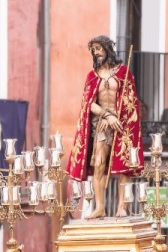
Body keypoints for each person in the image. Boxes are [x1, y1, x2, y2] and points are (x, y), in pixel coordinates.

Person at [66, 35, 143, 218]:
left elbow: (131, 102)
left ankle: (121, 207)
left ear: (107, 49)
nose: (96, 53)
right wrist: (107, 115)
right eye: (93, 50)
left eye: (98, 49)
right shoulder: (92, 77)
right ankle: (99, 207)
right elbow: (88, 104)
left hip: (122, 125)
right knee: (99, 163)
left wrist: (120, 118)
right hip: (102, 124)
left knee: (124, 166)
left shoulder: (124, 73)